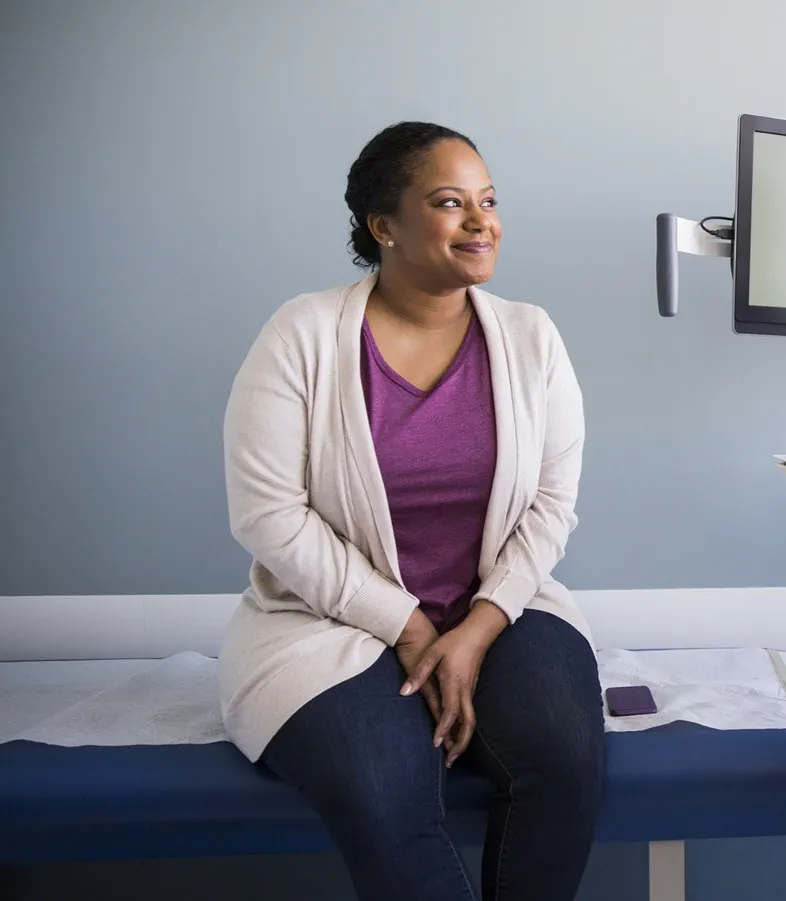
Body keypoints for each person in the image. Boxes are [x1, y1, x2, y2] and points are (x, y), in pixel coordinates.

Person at [219, 121, 602, 901]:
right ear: (382, 225)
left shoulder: (532, 339)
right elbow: (268, 512)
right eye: (450, 202)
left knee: (562, 757)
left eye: (488, 201)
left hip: (503, 606)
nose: (481, 221)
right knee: (380, 782)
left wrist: (480, 626)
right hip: (329, 622)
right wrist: (410, 624)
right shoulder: (302, 335)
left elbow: (552, 506)